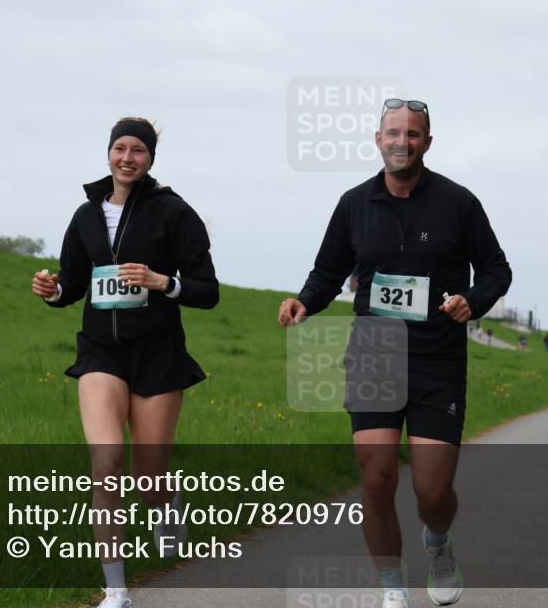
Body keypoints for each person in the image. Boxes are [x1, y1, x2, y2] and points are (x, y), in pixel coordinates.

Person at [277, 99, 512, 608]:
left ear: (427, 142)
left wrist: (473, 300)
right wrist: (304, 301)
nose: (402, 142)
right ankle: (392, 588)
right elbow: (327, 272)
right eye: (393, 133)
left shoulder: (459, 203)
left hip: (437, 359)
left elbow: (497, 269)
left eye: (412, 134)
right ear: (377, 139)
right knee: (376, 477)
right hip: (374, 353)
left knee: (432, 493)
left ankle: (438, 542)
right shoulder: (353, 204)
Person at [32, 117, 219, 608]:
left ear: (150, 158)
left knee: (147, 480)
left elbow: (207, 291)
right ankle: (116, 591)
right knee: (106, 464)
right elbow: (72, 284)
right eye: (121, 148)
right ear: (109, 153)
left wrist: (163, 283)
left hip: (158, 353)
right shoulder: (85, 216)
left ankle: (166, 502)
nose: (128, 157)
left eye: (139, 150)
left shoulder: (174, 212)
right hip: (101, 352)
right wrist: (52, 291)